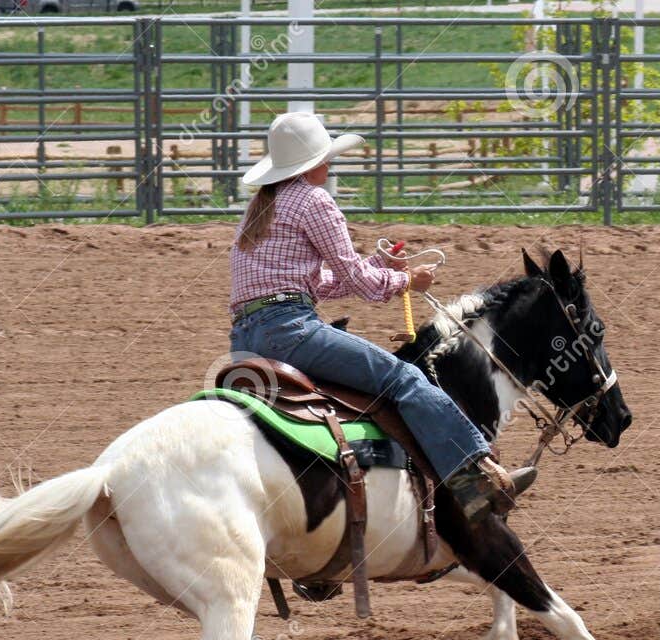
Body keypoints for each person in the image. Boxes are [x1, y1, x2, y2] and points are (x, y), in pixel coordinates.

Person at [228, 112, 533, 522]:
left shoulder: (260, 207)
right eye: (325, 157)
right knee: (404, 378)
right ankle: (473, 480)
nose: (329, 163)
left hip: (245, 340)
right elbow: (359, 282)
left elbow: (319, 283)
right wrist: (407, 280)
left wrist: (379, 265)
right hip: (290, 331)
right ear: (312, 163)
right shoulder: (315, 201)